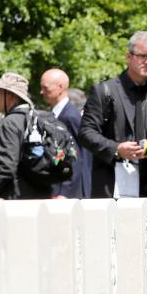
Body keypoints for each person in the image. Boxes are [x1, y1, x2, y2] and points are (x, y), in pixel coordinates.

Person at [79, 31, 147, 200]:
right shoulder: (104, 91)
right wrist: (117, 150)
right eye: (142, 56)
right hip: (112, 187)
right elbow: (86, 133)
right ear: (128, 57)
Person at [0, 73, 53, 200]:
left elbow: (7, 167)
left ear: (10, 95)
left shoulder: (11, 122)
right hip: (43, 196)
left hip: (18, 200)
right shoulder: (38, 118)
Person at [40, 68, 88, 199]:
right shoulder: (58, 115)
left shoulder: (69, 116)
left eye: (45, 87)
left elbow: (76, 157)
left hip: (68, 194)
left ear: (60, 87)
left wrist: (65, 191)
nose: (41, 92)